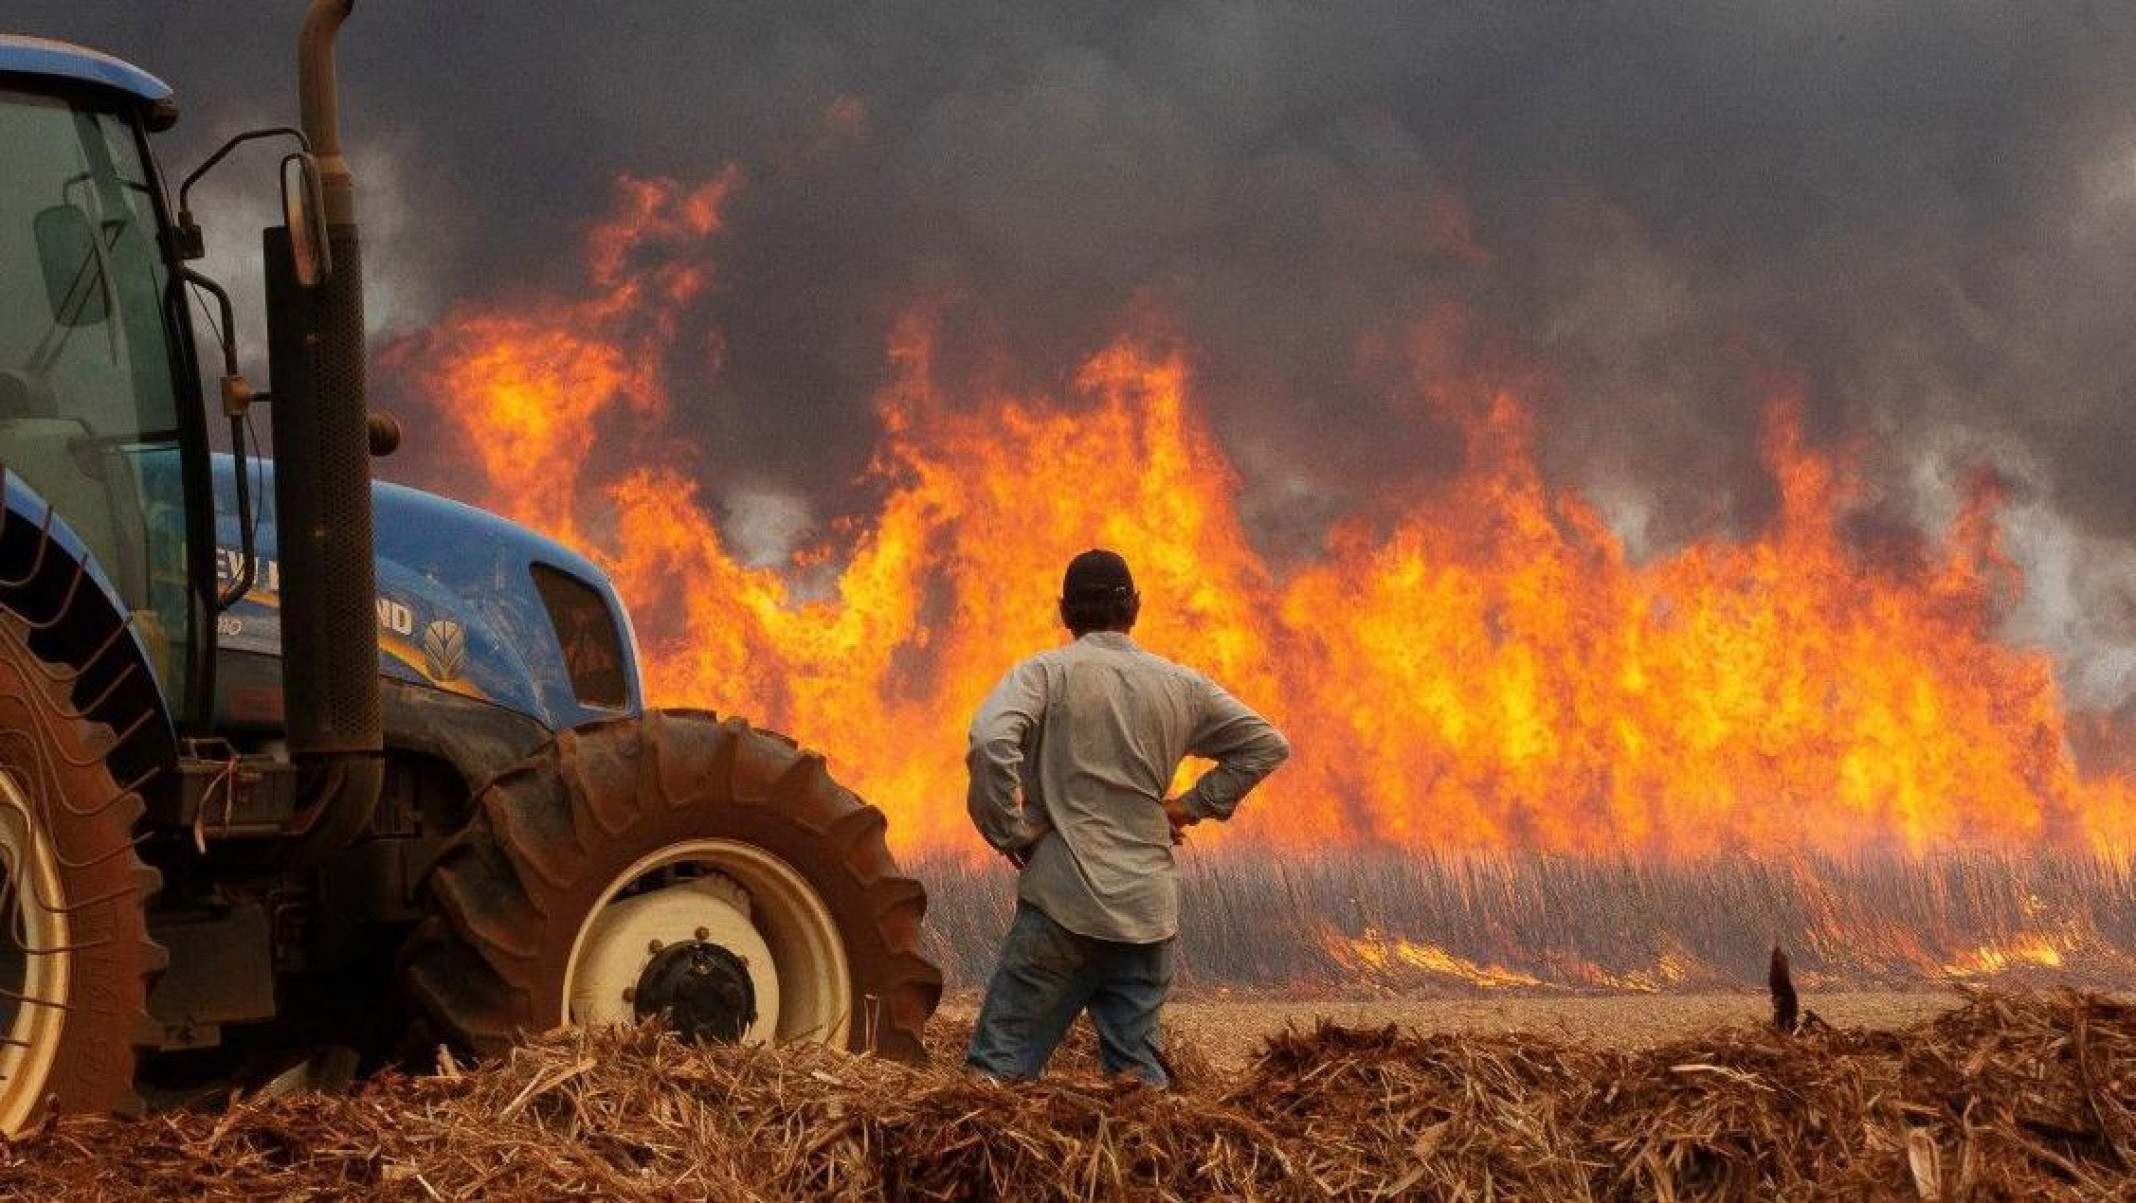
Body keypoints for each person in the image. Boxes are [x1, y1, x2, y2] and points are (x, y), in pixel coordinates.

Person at [964, 548, 1289, 1086]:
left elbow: (991, 740)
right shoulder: (1182, 686)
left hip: (1062, 904)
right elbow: (1266, 745)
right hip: (1146, 913)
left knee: (994, 1078)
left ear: (1064, 612)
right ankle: (1147, 1171)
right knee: (1139, 1092)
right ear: (1135, 608)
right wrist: (1190, 806)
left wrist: (1008, 830)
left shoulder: (1043, 675)